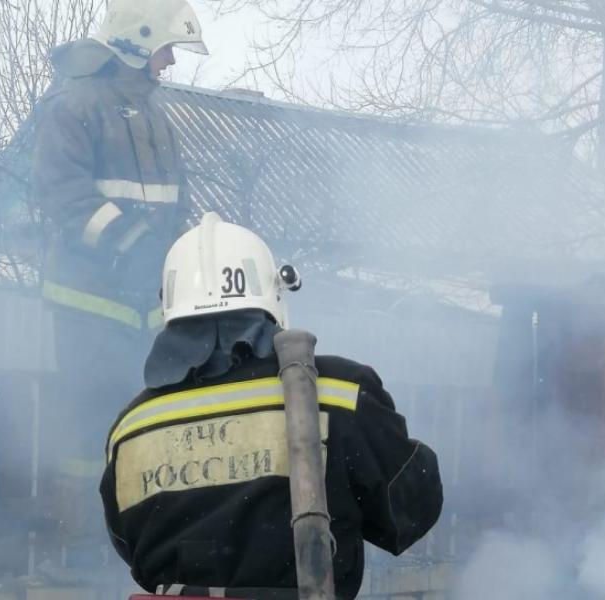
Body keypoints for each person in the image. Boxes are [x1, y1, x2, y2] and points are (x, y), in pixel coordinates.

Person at [100, 212, 444, 599]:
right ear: (274, 293)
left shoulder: (131, 428)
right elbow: (409, 511)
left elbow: (128, 544)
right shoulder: (339, 394)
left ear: (169, 306)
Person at [31, 0, 208, 568]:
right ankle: (83, 552)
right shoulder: (72, 105)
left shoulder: (154, 114)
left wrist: (193, 246)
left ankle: (144, 549)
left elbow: (174, 203)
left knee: (148, 427)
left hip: (145, 309)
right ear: (136, 41)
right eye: (166, 48)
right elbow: (65, 194)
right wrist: (131, 248)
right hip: (89, 305)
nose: (172, 62)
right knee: (92, 428)